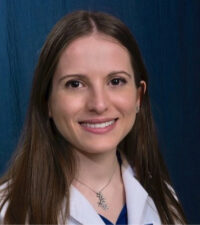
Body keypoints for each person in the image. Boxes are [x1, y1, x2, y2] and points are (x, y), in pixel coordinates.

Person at [0, 10, 187, 224]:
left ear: (138, 97)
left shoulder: (164, 198)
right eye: (75, 84)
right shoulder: (8, 210)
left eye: (116, 81)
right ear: (47, 102)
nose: (99, 104)